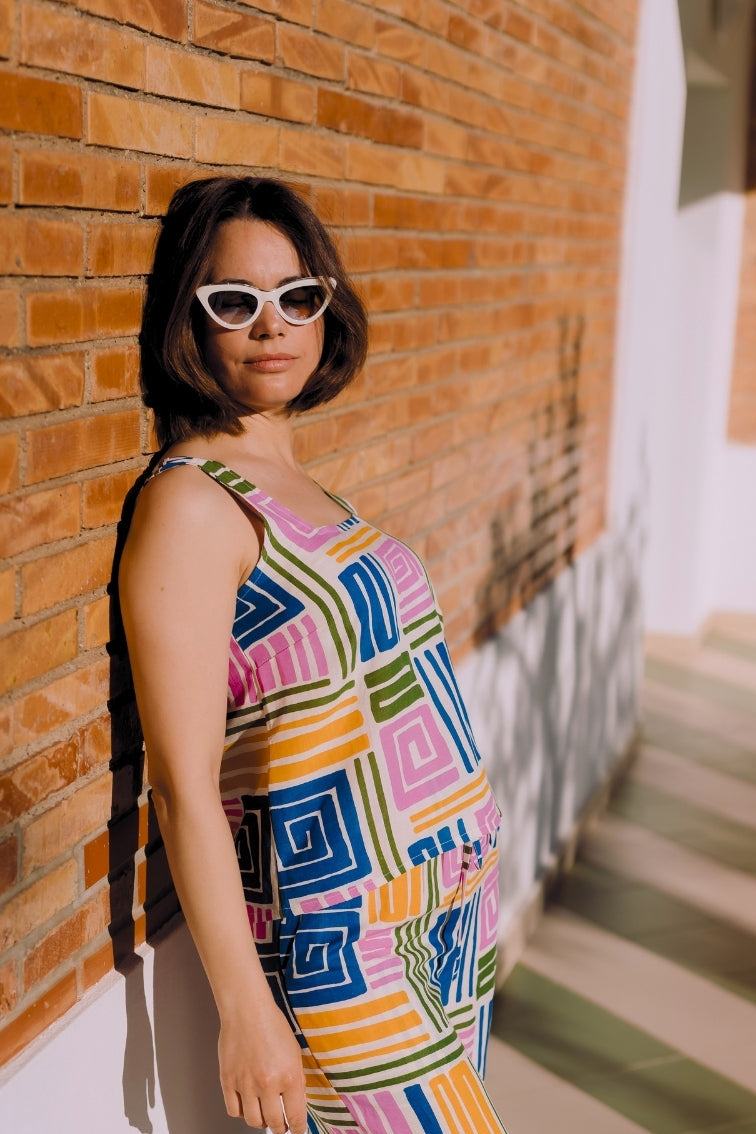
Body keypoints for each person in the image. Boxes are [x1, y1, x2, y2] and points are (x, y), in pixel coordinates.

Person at [119, 175, 507, 1134]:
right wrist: (248, 1009)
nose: (272, 326)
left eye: (298, 296)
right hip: (345, 948)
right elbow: (183, 787)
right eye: (234, 302)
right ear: (190, 320)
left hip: (450, 914)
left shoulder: (297, 478)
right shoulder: (191, 504)